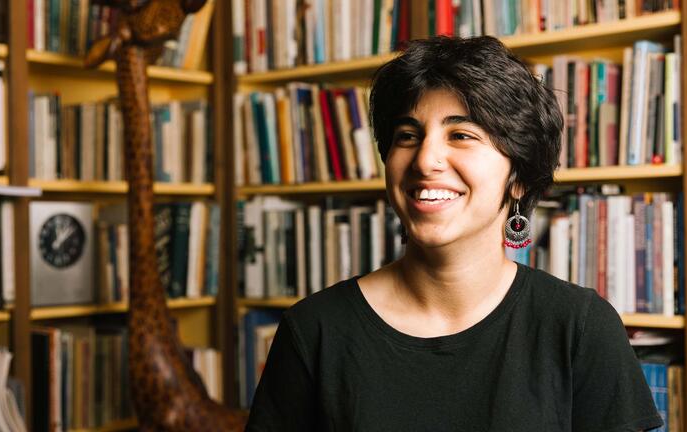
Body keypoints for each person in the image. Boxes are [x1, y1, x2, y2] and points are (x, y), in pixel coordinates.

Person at [245, 36, 662, 432]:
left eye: (461, 135)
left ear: (518, 176)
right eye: (407, 136)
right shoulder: (314, 329)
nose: (425, 160)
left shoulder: (579, 326)